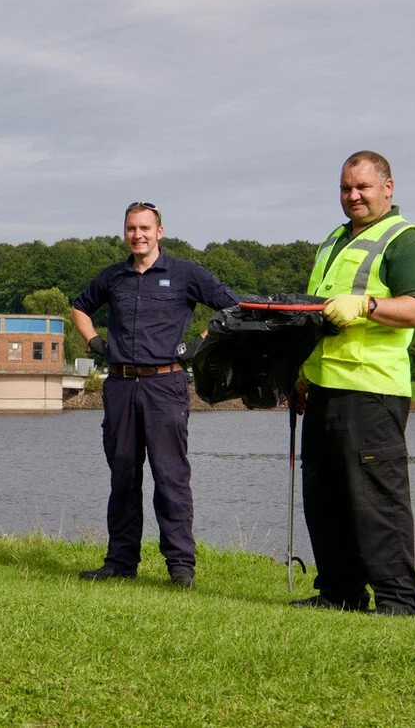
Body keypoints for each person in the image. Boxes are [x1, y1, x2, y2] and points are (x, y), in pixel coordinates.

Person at [292, 151, 415, 616]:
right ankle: (340, 593)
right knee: (325, 495)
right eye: (345, 188)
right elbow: (318, 314)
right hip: (323, 385)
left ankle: (398, 602)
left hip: (372, 390)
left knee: (375, 496)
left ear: (387, 188)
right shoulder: (333, 240)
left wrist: (367, 305)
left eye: (363, 187)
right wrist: (300, 372)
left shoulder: (406, 240)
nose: (352, 196)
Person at [71, 201, 239, 587]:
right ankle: (120, 562)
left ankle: (181, 566)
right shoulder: (113, 276)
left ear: (159, 231)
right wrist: (95, 342)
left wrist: (200, 344)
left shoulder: (185, 274)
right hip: (120, 386)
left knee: (171, 477)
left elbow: (232, 308)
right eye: (132, 228)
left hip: (166, 385)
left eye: (145, 228)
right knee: (123, 476)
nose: (138, 235)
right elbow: (79, 307)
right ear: (125, 232)